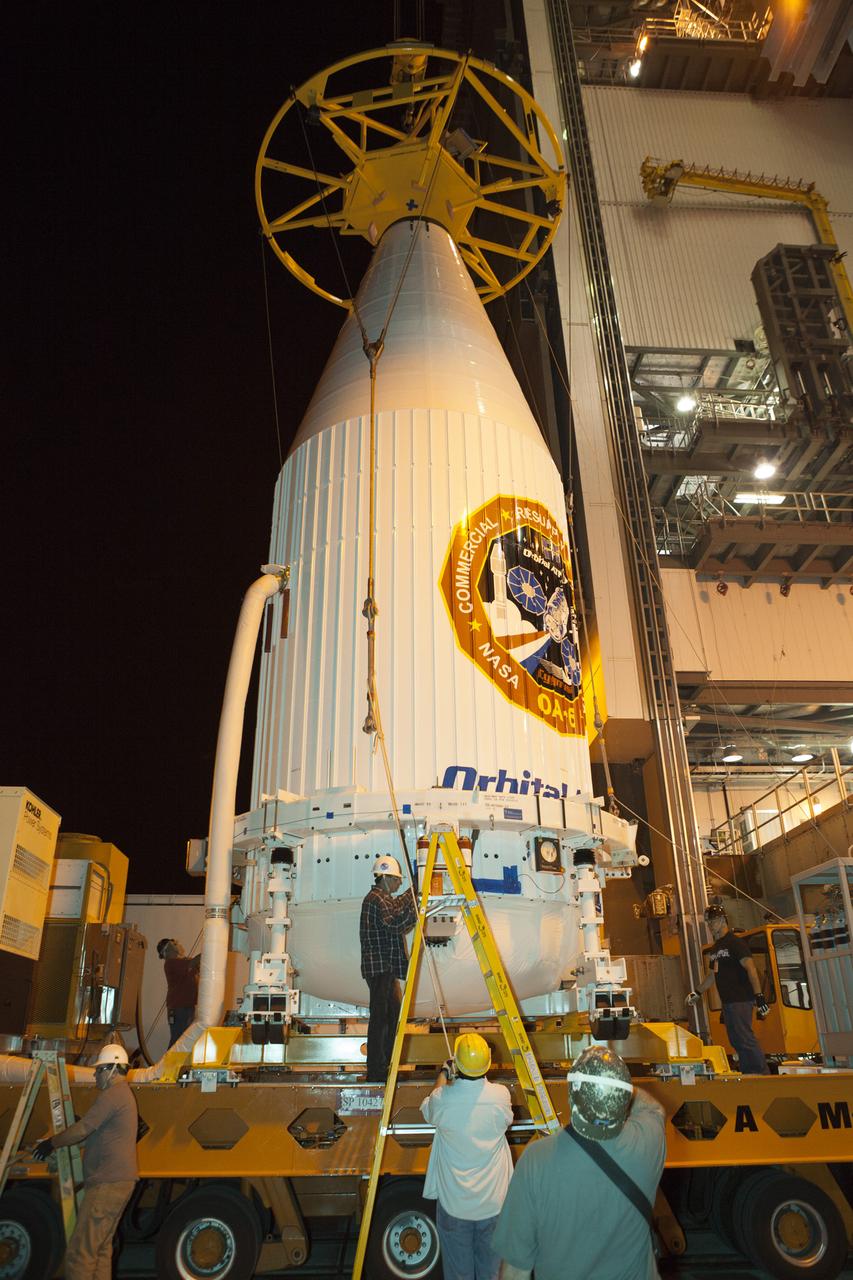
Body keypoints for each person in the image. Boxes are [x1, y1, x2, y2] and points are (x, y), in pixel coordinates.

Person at [492, 1045, 666, 1280]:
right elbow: (653, 1108)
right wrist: (613, 1081)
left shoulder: (536, 1160)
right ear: (623, 1098)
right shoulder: (649, 1143)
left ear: (572, 1095)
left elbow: (515, 1271)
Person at [32, 1044, 138, 1280]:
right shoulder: (123, 1095)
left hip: (106, 1184)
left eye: (99, 1070)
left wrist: (52, 1142)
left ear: (111, 1069)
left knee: (80, 1253)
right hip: (119, 1181)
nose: (94, 1074)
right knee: (99, 1251)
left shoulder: (112, 1095)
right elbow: (95, 1135)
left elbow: (83, 1129)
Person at [420, 1032, 513, 1280]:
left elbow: (428, 1108)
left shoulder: (443, 1100)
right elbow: (506, 1119)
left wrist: (444, 1073)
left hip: (455, 1206)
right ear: (488, 1064)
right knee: (492, 1274)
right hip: (494, 1205)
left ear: (457, 1064)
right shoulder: (501, 1096)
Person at [686, 904, 769, 1074]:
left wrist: (759, 996)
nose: (710, 925)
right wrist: (697, 992)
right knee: (736, 1040)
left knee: (744, 1038)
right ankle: (749, 1072)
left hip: (740, 999)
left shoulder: (735, 943)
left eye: (713, 921)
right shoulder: (716, 948)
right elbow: (712, 976)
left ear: (723, 920)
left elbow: (751, 968)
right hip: (729, 1002)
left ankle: (760, 1074)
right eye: (708, 922)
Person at [359, 854, 418, 1082]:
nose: (399, 883)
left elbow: (395, 906)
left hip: (385, 968)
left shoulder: (380, 897)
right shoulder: (376, 898)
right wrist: (416, 912)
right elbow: (394, 924)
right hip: (380, 968)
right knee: (381, 1020)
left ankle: (385, 1069)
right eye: (397, 880)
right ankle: (377, 1072)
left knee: (391, 1017)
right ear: (386, 878)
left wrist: (413, 892)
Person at [156, 937, 200, 1046]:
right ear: (166, 950)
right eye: (174, 944)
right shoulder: (171, 963)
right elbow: (193, 963)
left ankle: (176, 1062)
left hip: (186, 1007)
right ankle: (169, 1063)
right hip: (179, 1008)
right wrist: (210, 949)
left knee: (185, 1040)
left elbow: (194, 966)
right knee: (178, 1040)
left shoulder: (181, 962)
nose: (177, 945)